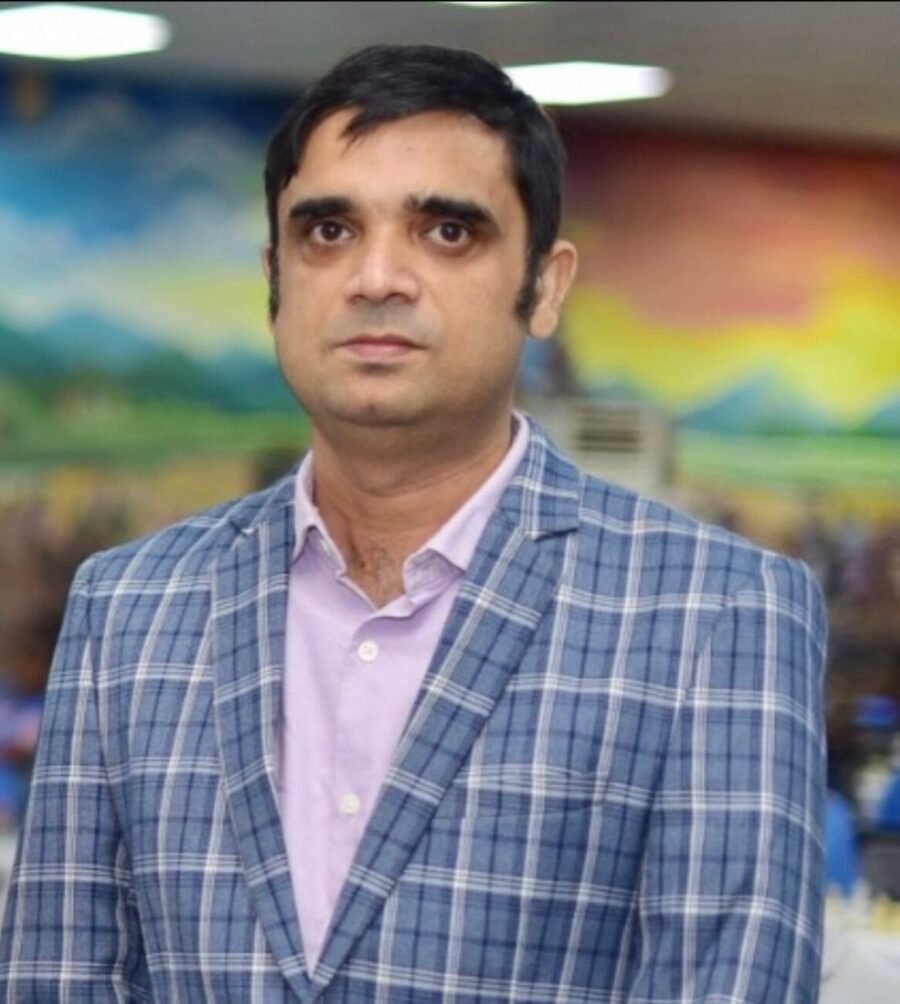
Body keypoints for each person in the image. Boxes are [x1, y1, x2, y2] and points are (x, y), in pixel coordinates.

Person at [0, 45, 827, 1002]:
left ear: (545, 287)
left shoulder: (717, 612)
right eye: (329, 230)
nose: (377, 277)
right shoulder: (131, 606)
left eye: (446, 231)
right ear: (275, 280)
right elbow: (55, 977)